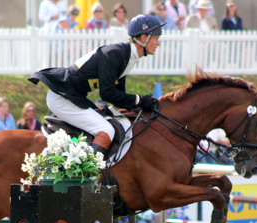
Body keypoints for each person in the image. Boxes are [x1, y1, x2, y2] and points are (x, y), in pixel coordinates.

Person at [29, 14, 164, 155]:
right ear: (144, 38)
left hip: (72, 96)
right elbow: (107, 94)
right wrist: (139, 100)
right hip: (62, 97)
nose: (158, 43)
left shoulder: (126, 56)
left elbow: (118, 97)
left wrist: (141, 104)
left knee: (112, 122)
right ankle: (89, 174)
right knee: (106, 130)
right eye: (156, 38)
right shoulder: (116, 54)